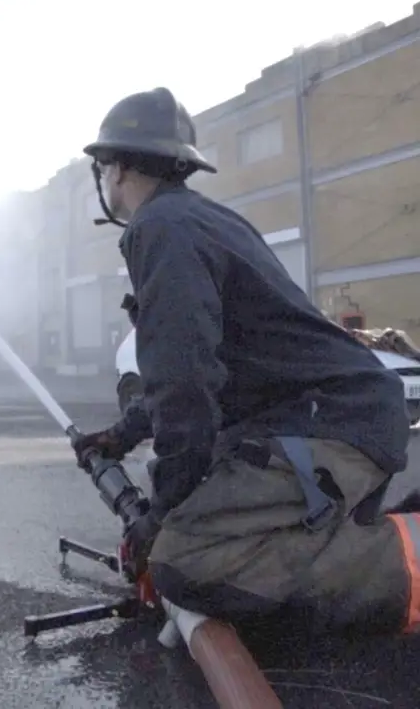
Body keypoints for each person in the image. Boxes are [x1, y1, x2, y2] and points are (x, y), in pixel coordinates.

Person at [75, 86, 419, 637]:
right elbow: (201, 366)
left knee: (185, 559)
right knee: (205, 527)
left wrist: (166, 517)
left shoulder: (160, 230)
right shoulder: (195, 220)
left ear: (112, 169)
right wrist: (122, 434)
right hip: (332, 418)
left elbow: (184, 385)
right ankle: (351, 528)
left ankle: (403, 564)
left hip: (329, 426)